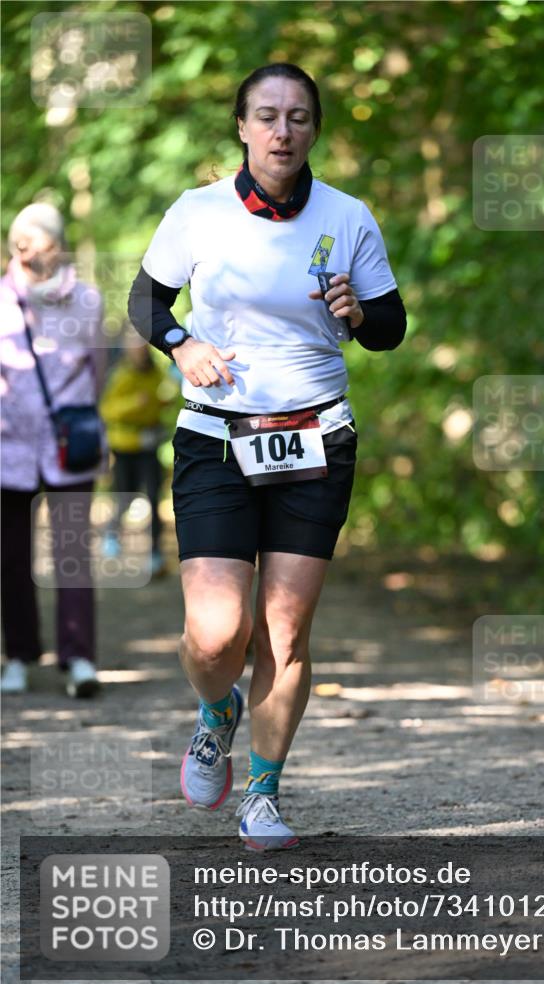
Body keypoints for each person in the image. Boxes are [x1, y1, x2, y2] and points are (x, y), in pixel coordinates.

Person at [128, 63, 406, 850]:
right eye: (267, 116)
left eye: (298, 117)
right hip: (216, 436)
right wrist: (180, 344)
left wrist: (360, 313)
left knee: (283, 633)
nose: (283, 131)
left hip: (316, 438)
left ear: (314, 129)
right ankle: (217, 708)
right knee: (217, 634)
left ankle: (262, 793)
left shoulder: (347, 216)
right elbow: (146, 299)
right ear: (242, 127)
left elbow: (389, 326)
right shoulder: (198, 211)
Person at [0, 203, 106, 697]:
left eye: (35, 244)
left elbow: (98, 371)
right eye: (17, 244)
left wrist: (80, 417)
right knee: (10, 557)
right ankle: (18, 656)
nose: (24, 253)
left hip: (70, 447)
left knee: (72, 554)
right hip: (9, 447)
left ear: (58, 247)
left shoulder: (87, 300)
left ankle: (78, 656)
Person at [99, 331, 177, 576]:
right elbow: (107, 410)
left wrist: (161, 404)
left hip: (149, 445)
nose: (139, 352)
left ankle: (155, 553)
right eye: (135, 348)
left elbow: (161, 399)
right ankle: (112, 536)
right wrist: (135, 403)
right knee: (125, 496)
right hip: (125, 447)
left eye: (142, 348)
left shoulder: (156, 374)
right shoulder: (120, 375)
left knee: (153, 497)